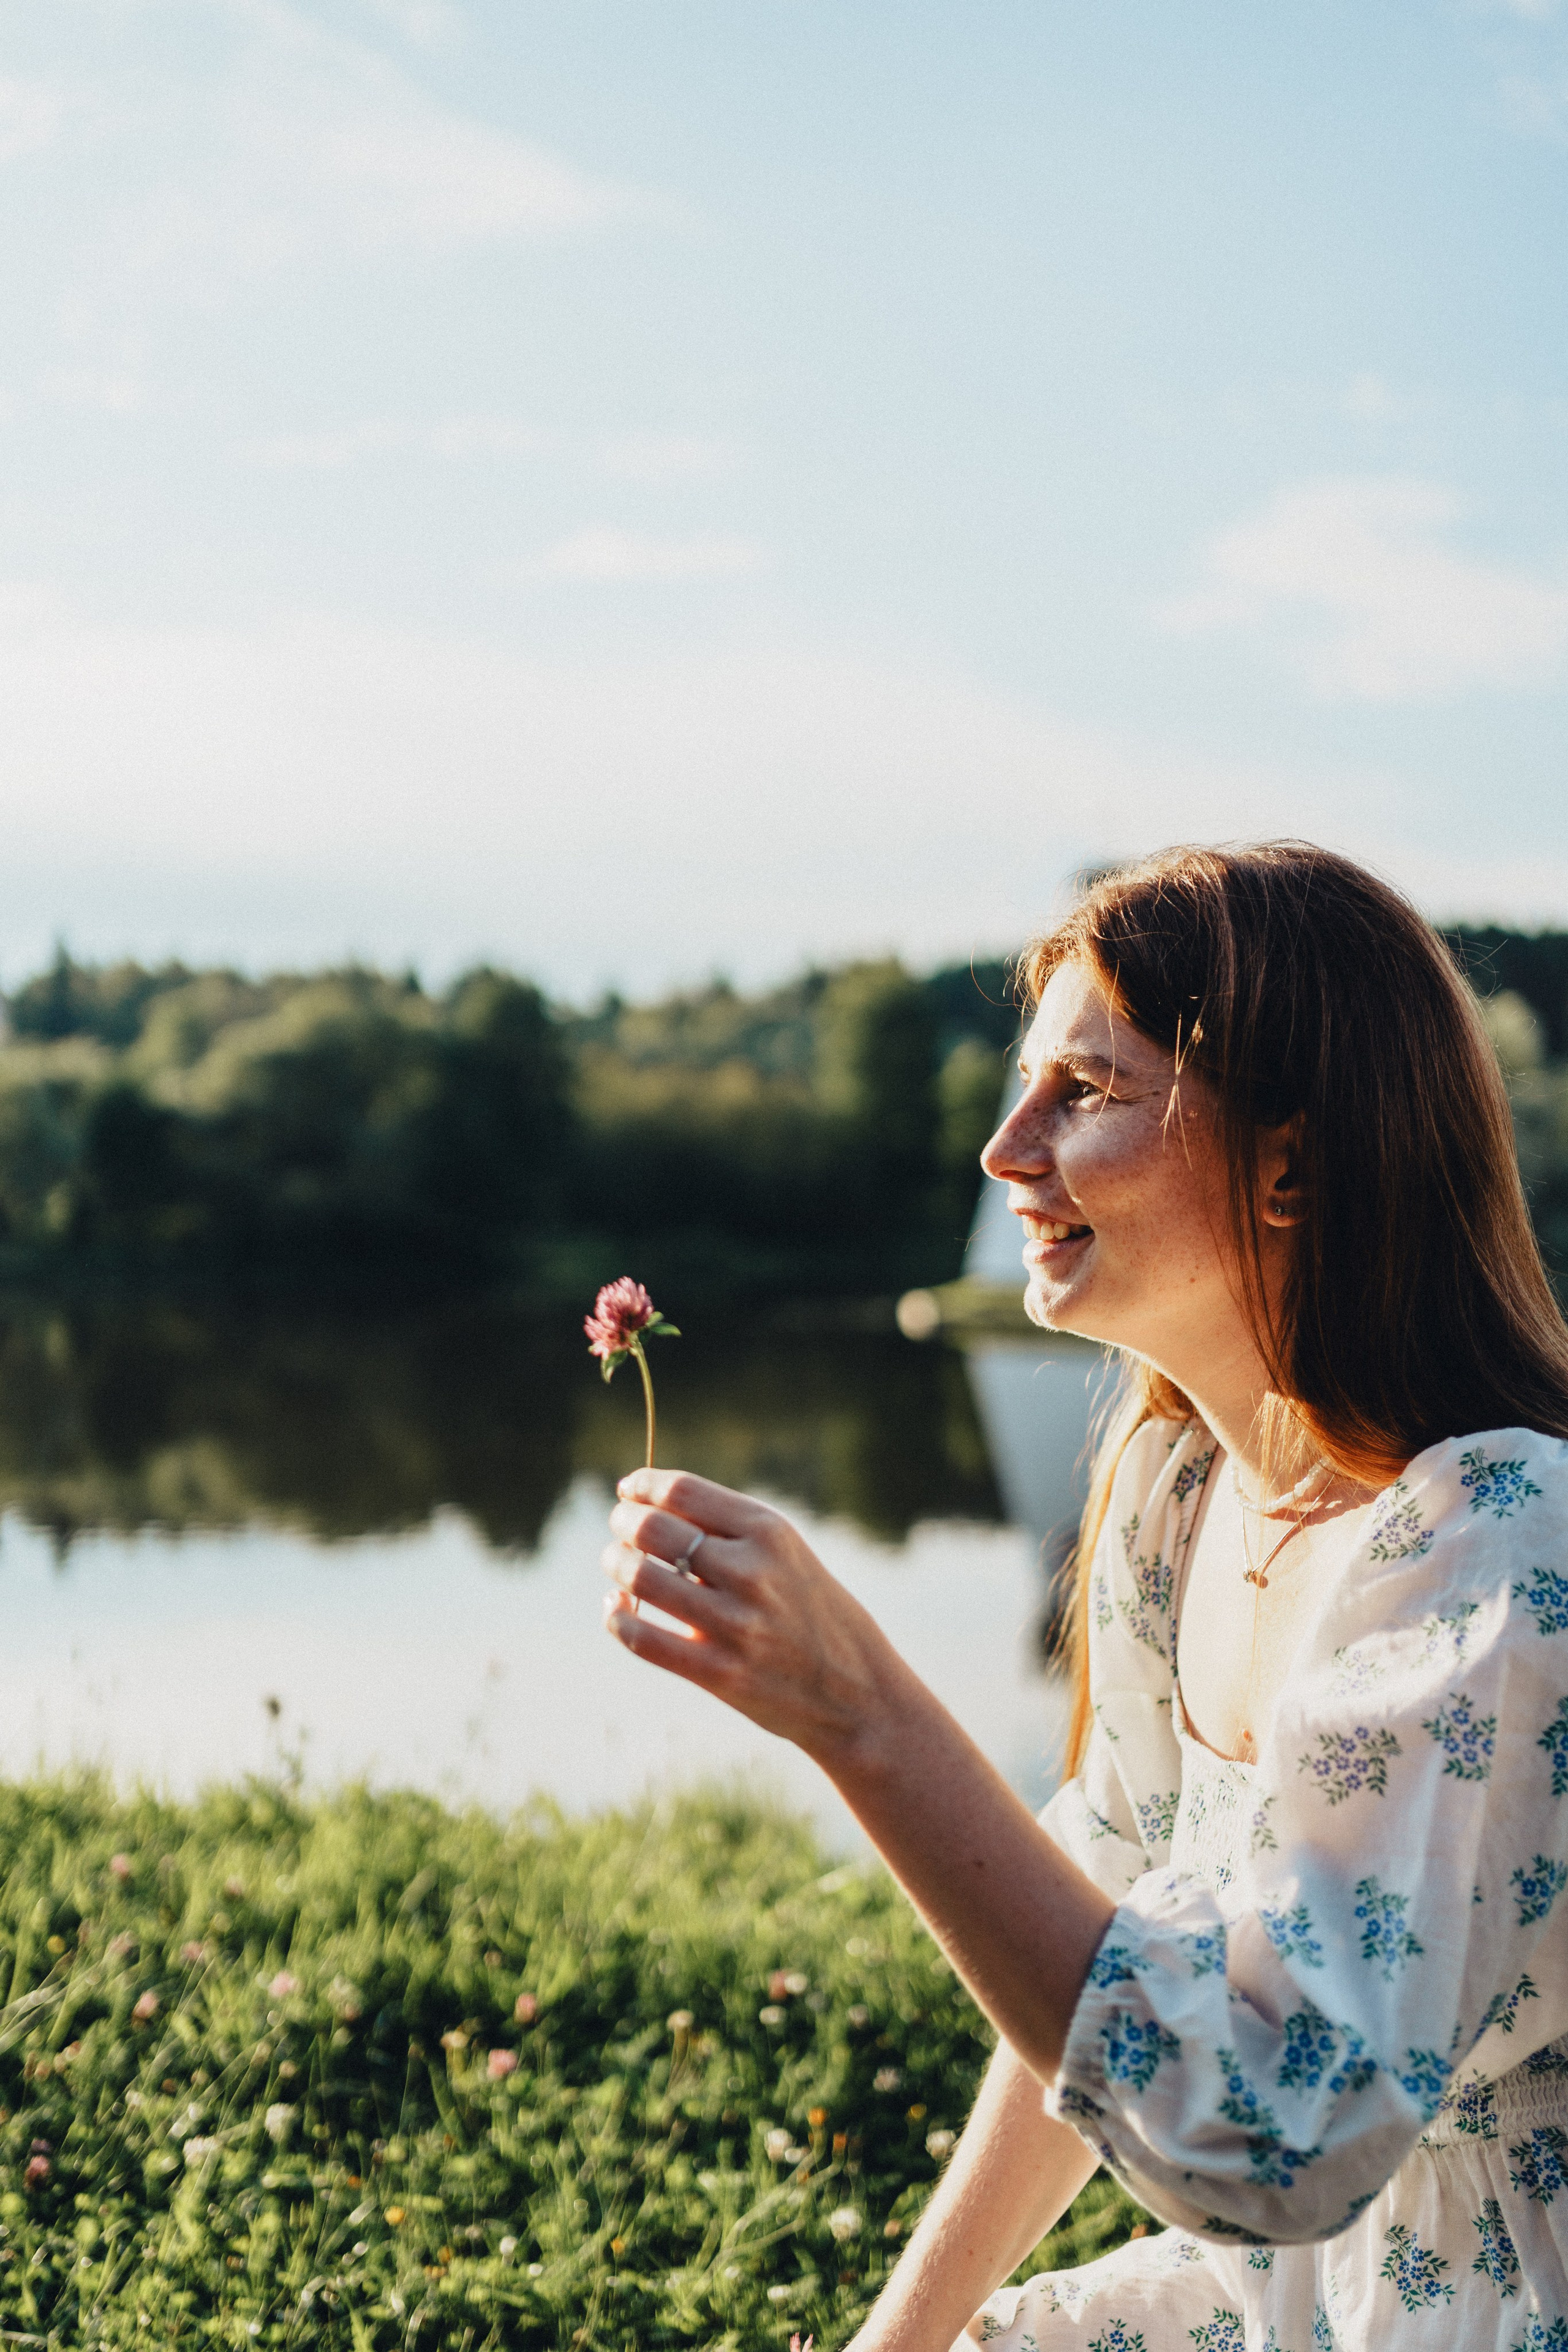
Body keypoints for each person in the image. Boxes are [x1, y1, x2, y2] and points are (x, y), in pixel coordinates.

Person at [601, 841, 1568, 2350]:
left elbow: (1275, 2142)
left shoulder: (1500, 1537)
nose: (1002, 1148)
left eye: (1086, 1092)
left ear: (1290, 1162)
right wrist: (895, 2341)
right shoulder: (1175, 1498)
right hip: (1304, 2291)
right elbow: (1094, 1969)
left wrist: (862, 1715)